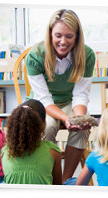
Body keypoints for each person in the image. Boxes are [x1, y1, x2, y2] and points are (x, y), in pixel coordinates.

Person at [25, 9, 95, 183]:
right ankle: (49, 178)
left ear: (77, 36)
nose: (63, 42)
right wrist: (65, 118)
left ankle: (64, 181)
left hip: (69, 102)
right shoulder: (35, 55)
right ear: (50, 34)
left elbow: (80, 95)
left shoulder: (87, 55)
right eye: (58, 35)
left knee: (83, 127)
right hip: (41, 105)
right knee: (47, 127)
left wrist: (78, 117)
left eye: (69, 36)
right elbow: (43, 99)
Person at [1, 99, 62, 185]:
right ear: (44, 124)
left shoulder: (5, 151)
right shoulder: (53, 151)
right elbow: (57, 186)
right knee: (72, 181)